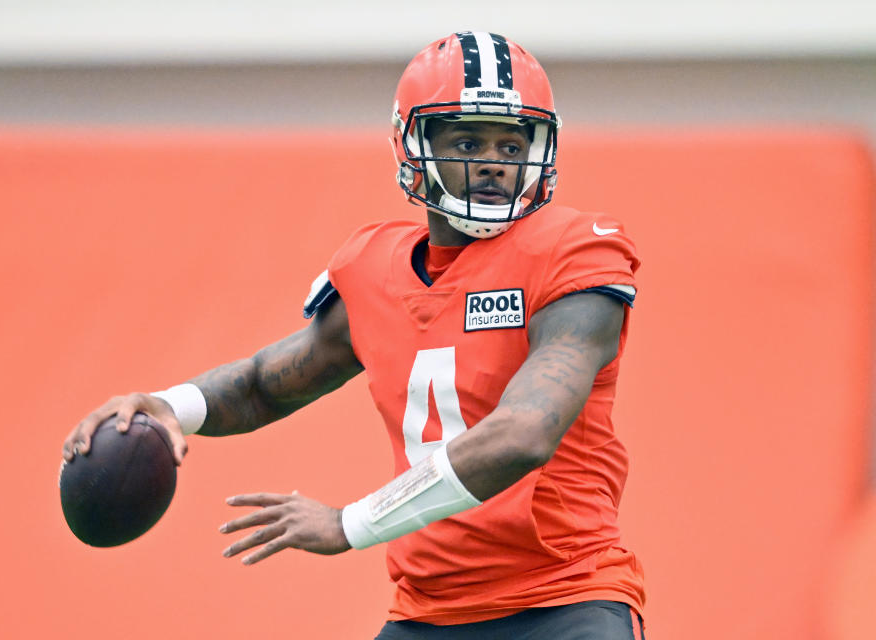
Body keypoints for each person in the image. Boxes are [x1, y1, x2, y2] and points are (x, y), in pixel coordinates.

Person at [62, 31, 646, 639]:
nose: (496, 160)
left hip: (566, 601)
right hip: (429, 614)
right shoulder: (376, 268)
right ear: (413, 146)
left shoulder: (572, 250)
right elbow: (265, 384)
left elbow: (525, 432)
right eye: (468, 140)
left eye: (511, 141)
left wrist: (351, 523)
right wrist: (166, 407)